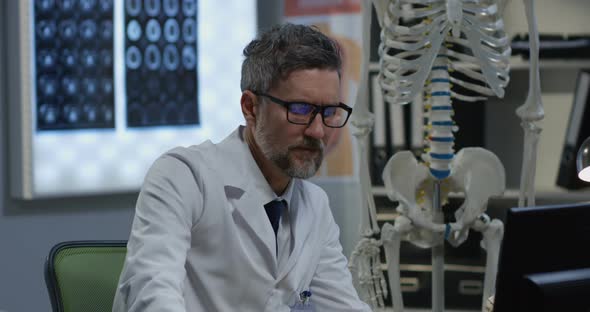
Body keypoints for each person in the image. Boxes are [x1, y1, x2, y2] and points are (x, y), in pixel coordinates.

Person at [113, 23, 371, 312]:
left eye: (329, 112)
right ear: (250, 107)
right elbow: (152, 297)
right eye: (299, 109)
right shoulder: (183, 177)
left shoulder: (314, 205)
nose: (318, 131)